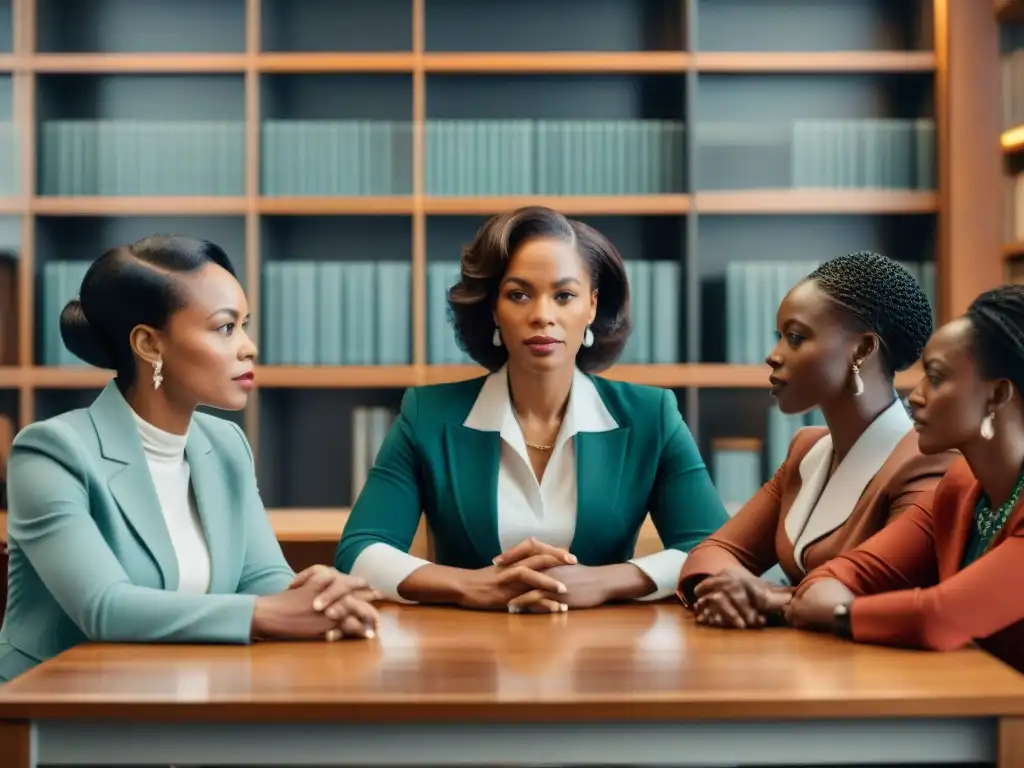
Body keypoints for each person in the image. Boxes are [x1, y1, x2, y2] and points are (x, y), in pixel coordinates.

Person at [0, 235, 380, 683]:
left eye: (245, 324)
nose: (248, 347)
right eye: (225, 327)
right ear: (149, 344)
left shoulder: (225, 445)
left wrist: (321, 598)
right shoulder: (51, 452)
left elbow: (263, 577)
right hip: (53, 711)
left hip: (177, 695)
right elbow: (104, 608)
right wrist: (267, 614)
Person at [334, 206, 729, 612]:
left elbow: (716, 553)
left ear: (591, 306)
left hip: (606, 655)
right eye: (519, 294)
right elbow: (360, 553)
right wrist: (469, 585)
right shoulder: (428, 415)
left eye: (564, 296)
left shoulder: (651, 416)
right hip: (463, 653)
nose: (542, 315)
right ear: (493, 308)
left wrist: (604, 581)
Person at [676, 251, 957, 629]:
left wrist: (763, 597)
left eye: (796, 338)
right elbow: (714, 551)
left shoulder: (927, 461)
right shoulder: (807, 450)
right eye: (780, 338)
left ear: (862, 349)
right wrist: (724, 590)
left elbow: (876, 592)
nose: (773, 356)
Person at [786, 284, 1024, 674]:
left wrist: (841, 612)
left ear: (997, 395)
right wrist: (811, 601)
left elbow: (938, 617)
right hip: (975, 708)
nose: (915, 395)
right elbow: (844, 572)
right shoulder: (960, 486)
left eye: (936, 377)